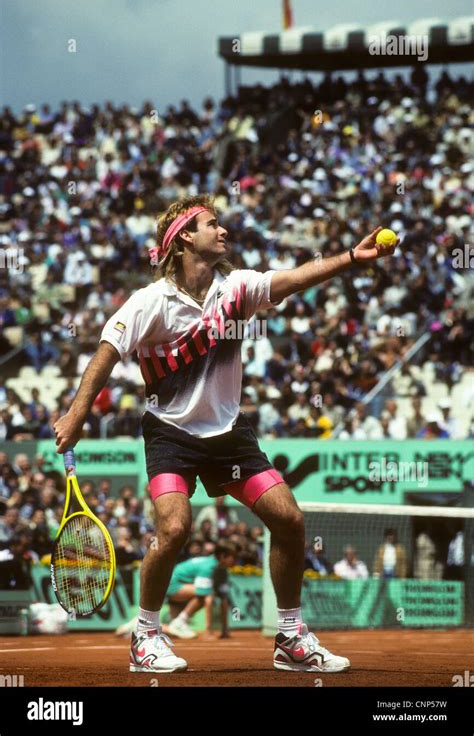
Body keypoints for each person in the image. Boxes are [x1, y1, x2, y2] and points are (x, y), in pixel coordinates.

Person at [54, 194, 397, 674]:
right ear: (185, 238)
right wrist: (77, 414)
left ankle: (290, 636)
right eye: (213, 224)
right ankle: (146, 634)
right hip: (171, 435)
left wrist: (350, 259)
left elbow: (295, 279)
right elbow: (107, 352)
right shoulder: (150, 302)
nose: (224, 231)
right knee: (173, 528)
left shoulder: (237, 288)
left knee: (290, 520)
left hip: (229, 436)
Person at [163, 540, 236, 641]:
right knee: (207, 594)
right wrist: (208, 631)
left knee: (173, 630)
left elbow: (224, 599)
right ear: (223, 556)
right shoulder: (208, 567)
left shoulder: (223, 570)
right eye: (234, 557)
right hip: (171, 585)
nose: (236, 560)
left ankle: (138, 625)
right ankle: (182, 621)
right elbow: (208, 599)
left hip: (183, 586)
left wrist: (225, 630)